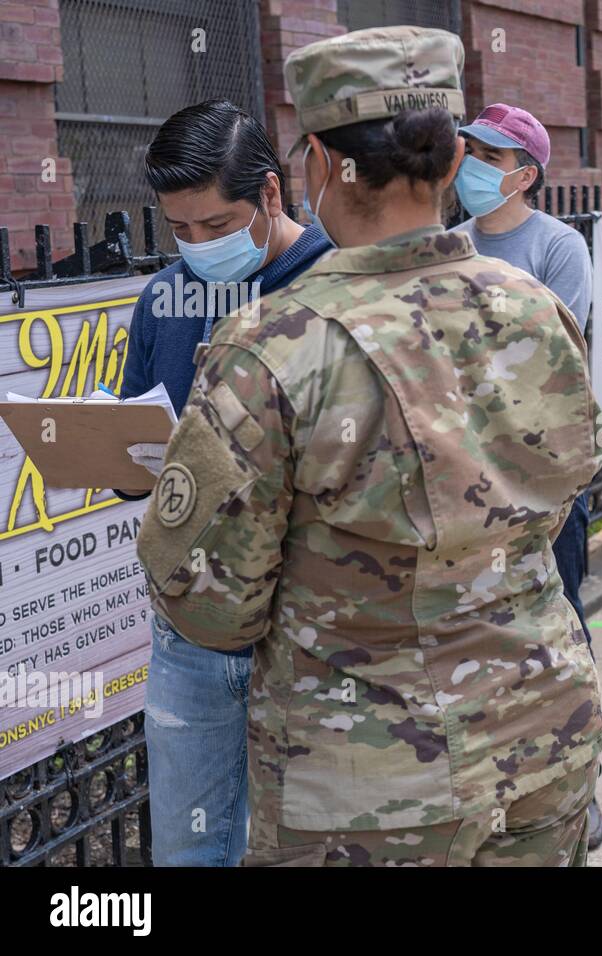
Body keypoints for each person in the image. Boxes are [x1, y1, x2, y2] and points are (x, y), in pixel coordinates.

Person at [136, 26, 602, 867]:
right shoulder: (535, 309)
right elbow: (565, 493)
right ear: (455, 155)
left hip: (370, 787)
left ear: (317, 163)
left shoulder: (272, 344)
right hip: (544, 742)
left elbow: (209, 603)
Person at [118, 99, 331, 867]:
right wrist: (122, 460)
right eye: (180, 229)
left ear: (271, 194)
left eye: (216, 225)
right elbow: (138, 455)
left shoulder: (336, 287)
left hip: (311, 625)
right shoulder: (163, 301)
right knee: (188, 850)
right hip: (193, 627)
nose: (198, 245)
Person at [447, 102, 602, 851]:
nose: (469, 163)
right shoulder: (446, 245)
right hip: (462, 482)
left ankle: (578, 788)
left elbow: (550, 359)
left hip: (543, 480)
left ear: (523, 174)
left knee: (559, 622)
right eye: (467, 149)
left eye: (487, 154)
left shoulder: (558, 246)